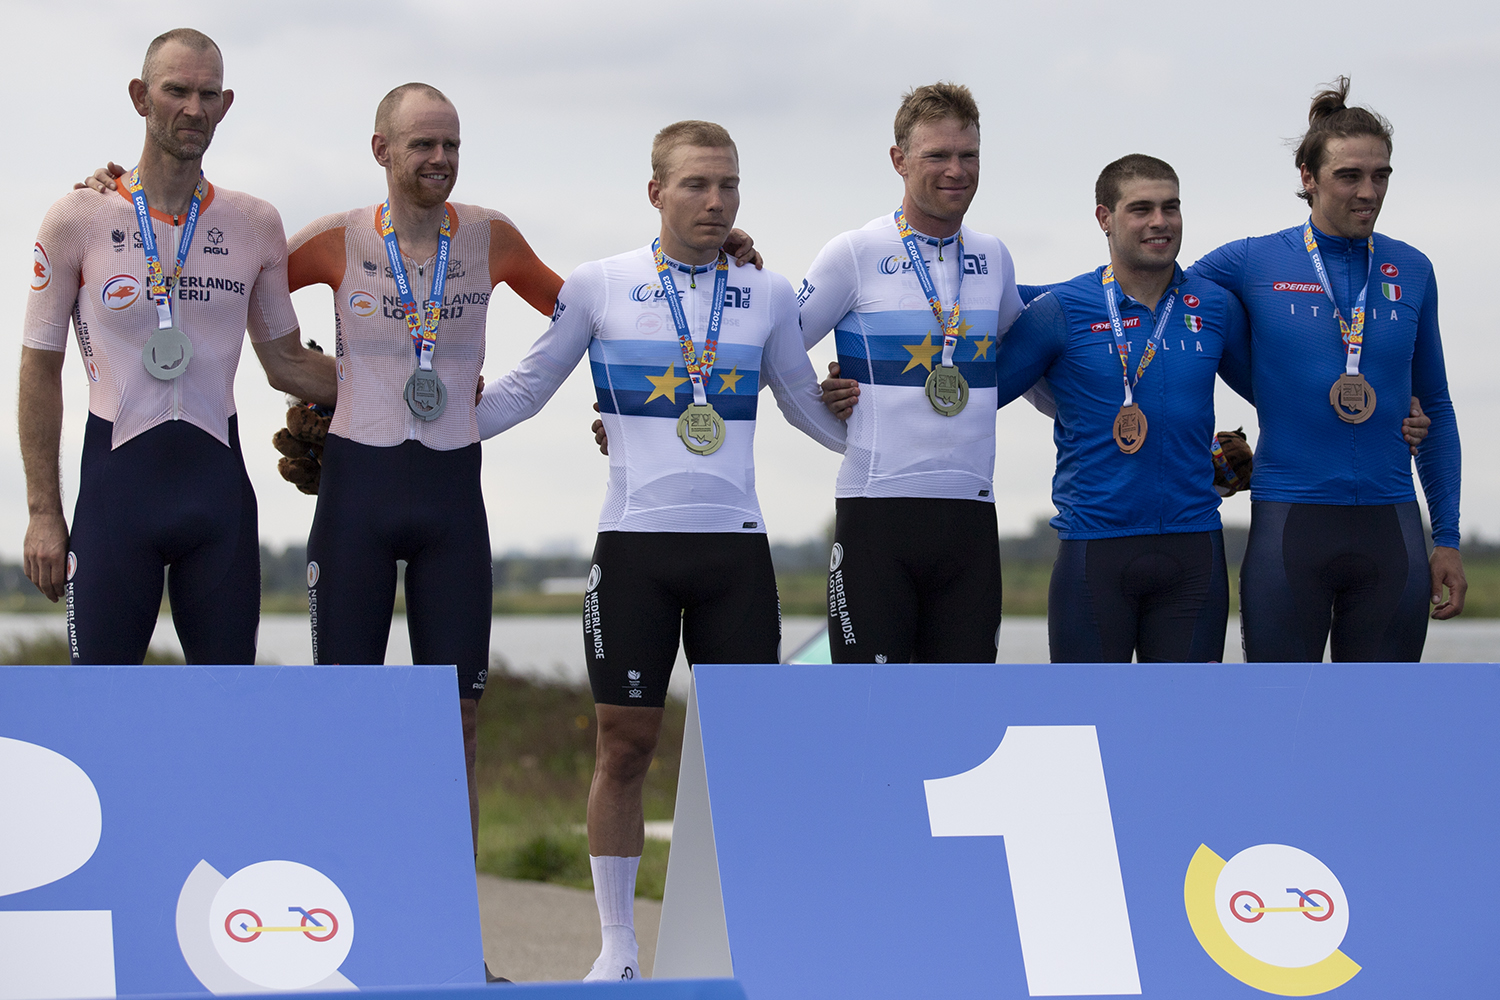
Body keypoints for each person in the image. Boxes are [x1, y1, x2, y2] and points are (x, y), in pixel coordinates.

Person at [475, 120, 845, 980]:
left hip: (736, 556)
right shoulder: (599, 286)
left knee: (747, 756)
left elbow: (805, 408)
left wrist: (896, 441)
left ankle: (748, 937)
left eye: (729, 184)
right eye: (696, 184)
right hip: (634, 552)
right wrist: (421, 428)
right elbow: (526, 388)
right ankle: (618, 946)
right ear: (656, 193)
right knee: (625, 747)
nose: (716, 200)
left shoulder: (767, 293)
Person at [21, 28, 332, 665]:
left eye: (208, 94)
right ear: (140, 96)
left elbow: (287, 363)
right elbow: (38, 367)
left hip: (218, 503)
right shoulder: (78, 218)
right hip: (113, 500)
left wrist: (408, 385)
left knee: (227, 708)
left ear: (225, 105)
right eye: (176, 91)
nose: (194, 108)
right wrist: (43, 512)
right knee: (99, 708)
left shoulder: (254, 223)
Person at [1191, 77, 1464, 661]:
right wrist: (1267, 393)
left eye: (1381, 175)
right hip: (1289, 524)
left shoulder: (1413, 268)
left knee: (1380, 713)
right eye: (1349, 176)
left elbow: (1437, 407)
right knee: (1280, 710)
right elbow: (1155, 311)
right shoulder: (1253, 260)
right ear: (1308, 177)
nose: (1369, 192)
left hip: (1392, 528)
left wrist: (1447, 539)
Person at [986, 155, 1254, 661]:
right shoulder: (1061, 311)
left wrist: (1399, 405)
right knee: (1088, 710)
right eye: (1141, 209)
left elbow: (1280, 394)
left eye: (1171, 207)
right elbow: (976, 397)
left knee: (1185, 712)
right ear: (1104, 218)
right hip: (1095, 554)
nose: (1160, 221)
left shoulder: (1215, 306)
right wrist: (859, 390)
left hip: (1194, 550)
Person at [795, 82, 1024, 664]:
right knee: (871, 708)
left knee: (960, 709)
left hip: (971, 515)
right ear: (899, 160)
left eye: (968, 155)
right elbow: (774, 352)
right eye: (937, 155)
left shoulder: (994, 256)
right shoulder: (854, 252)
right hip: (877, 514)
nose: (956, 170)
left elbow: (1036, 369)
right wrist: (830, 420)